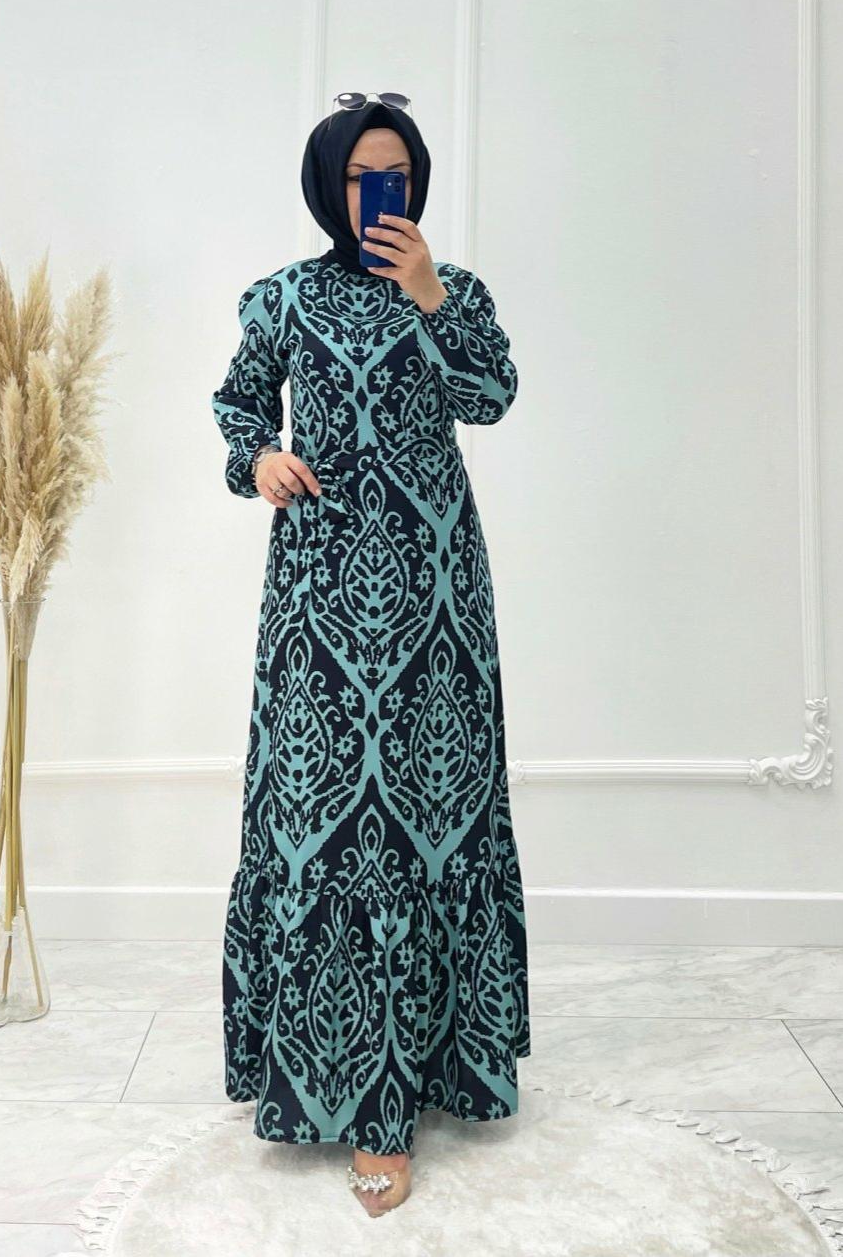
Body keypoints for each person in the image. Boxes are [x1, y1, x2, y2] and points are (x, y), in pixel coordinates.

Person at [211, 94, 530, 1218]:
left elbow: (491, 398)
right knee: (324, 822)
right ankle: (330, 1078)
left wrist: (431, 294)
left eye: (392, 175)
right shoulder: (283, 296)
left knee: (429, 815)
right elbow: (238, 405)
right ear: (327, 186)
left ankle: (417, 1090)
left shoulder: (455, 292)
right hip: (319, 590)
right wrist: (259, 460)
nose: (375, 195)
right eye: (357, 177)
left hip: (436, 594)